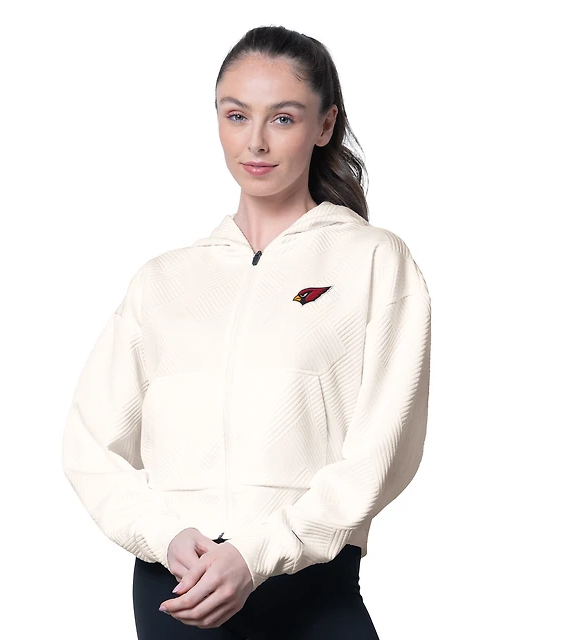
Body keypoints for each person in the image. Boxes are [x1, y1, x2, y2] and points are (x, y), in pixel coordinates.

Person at [61, 25, 432, 640]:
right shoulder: (163, 280)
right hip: (182, 585)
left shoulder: (373, 260)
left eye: (283, 118)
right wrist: (164, 534)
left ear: (325, 125)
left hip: (310, 582)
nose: (255, 141)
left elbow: (384, 447)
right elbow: (88, 444)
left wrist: (260, 553)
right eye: (236, 116)